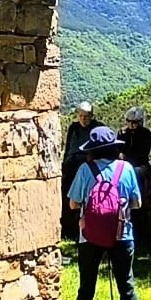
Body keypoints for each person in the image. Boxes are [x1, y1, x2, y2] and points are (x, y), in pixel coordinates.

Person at [68, 126, 144, 300]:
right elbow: (137, 203)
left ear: (92, 150)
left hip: (89, 236)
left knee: (86, 287)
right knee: (126, 284)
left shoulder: (85, 169)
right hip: (122, 234)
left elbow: (73, 202)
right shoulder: (127, 168)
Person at [60, 102, 98, 238]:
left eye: (86, 116)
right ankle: (67, 228)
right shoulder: (74, 128)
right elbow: (68, 148)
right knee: (67, 196)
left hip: (89, 165)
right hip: (72, 164)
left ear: (92, 116)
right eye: (80, 116)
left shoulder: (97, 128)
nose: (83, 119)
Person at [120, 106, 151, 172]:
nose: (130, 124)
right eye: (128, 121)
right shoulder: (121, 132)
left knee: (137, 172)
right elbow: (118, 150)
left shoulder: (146, 133)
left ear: (139, 121)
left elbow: (144, 153)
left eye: (134, 122)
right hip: (123, 164)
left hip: (140, 165)